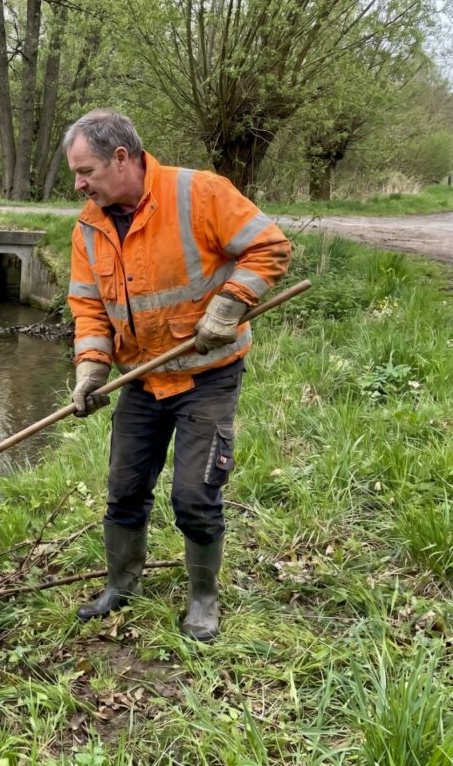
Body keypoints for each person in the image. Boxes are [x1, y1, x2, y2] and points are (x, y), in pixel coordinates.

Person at [64, 109, 291, 642]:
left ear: (122, 158)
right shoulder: (88, 226)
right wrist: (92, 369)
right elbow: (89, 307)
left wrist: (231, 304)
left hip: (207, 375)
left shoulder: (200, 193)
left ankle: (203, 603)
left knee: (195, 494)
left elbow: (270, 246)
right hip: (140, 380)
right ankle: (121, 586)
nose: (79, 184)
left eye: (87, 170)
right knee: (123, 488)